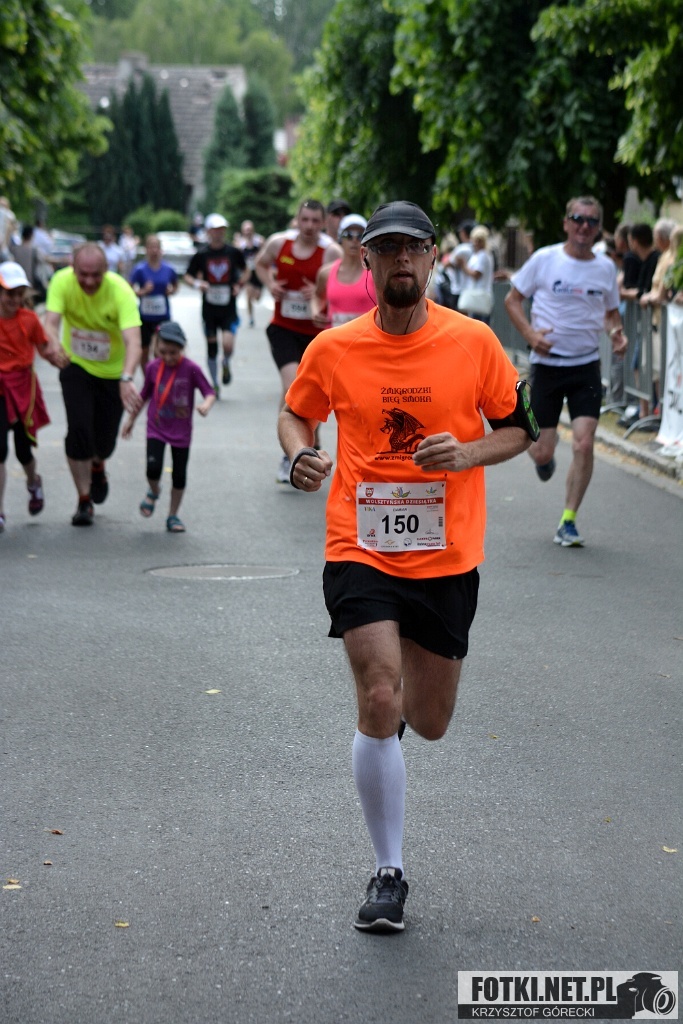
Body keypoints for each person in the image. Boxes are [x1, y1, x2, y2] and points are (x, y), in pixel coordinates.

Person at [278, 200, 533, 932]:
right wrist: (299, 452)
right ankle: (388, 871)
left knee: (428, 720)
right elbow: (296, 412)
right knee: (380, 693)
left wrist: (467, 452)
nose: (399, 260)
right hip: (359, 547)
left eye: (411, 248)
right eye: (385, 248)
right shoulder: (335, 347)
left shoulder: (473, 341)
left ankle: (389, 733)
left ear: (432, 258)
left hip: (447, 555)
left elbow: (520, 428)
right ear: (366, 259)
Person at [504, 195, 626, 547]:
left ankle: (568, 520)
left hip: (585, 366)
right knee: (542, 451)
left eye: (592, 221)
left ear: (598, 227)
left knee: (584, 443)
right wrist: (530, 335)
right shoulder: (545, 259)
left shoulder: (605, 268)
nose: (584, 226)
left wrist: (617, 335)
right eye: (578, 219)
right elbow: (512, 300)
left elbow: (611, 314)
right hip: (548, 367)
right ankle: (542, 457)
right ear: (566, 223)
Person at [44, 242, 142, 526]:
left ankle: (99, 464)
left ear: (106, 270)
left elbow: (133, 341)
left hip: (112, 374)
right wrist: (53, 345)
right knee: (79, 430)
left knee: (104, 442)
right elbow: (50, 323)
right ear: (72, 268)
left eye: (96, 275)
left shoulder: (120, 291)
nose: (89, 281)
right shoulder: (61, 281)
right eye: (83, 275)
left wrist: (127, 377)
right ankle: (83, 499)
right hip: (75, 365)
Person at [255, 199, 342, 482]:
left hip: (317, 335)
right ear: (297, 219)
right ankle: (290, 453)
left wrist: (318, 293)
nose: (309, 226)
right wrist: (271, 284)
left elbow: (341, 284)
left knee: (314, 395)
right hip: (283, 328)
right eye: (305, 220)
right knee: (292, 386)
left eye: (315, 221)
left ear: (323, 223)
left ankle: (308, 439)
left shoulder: (331, 251)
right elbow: (260, 264)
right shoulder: (279, 243)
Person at [121, 321, 215, 533]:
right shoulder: (153, 367)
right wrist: (130, 420)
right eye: (163, 352)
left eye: (173, 352)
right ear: (156, 347)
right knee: (152, 469)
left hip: (181, 432)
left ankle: (173, 515)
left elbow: (209, 392)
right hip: (156, 427)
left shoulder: (191, 369)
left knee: (179, 476)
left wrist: (206, 405)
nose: (168, 357)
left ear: (181, 349)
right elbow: (144, 395)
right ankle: (154, 490)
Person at [0, 262, 63, 532]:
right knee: (0, 451)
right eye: (8, 293)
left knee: (23, 450)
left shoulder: (28, 319)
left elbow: (44, 347)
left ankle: (32, 481)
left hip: (23, 387)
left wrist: (59, 359)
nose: (14, 299)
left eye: (18, 294)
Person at [184, 213, 247, 395]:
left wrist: (239, 285)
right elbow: (188, 276)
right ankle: (215, 384)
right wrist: (198, 284)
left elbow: (246, 271)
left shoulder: (233, 252)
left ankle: (226, 362)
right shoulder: (202, 254)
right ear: (209, 232)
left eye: (222, 230)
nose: (219, 233)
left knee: (227, 344)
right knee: (212, 347)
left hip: (228, 307)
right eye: (215, 230)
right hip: (209, 308)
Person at [312, 214, 376, 328]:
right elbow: (317, 296)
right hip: (334, 338)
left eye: (360, 236)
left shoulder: (376, 274)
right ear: (340, 238)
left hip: (366, 338)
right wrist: (315, 312)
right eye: (348, 235)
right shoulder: (326, 273)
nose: (354, 240)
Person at [130, 235, 179, 371]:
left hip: (162, 317)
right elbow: (129, 289)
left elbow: (176, 285)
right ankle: (148, 378)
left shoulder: (168, 269)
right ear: (146, 249)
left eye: (157, 247)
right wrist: (142, 291)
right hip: (144, 317)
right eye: (151, 247)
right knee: (144, 351)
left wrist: (171, 291)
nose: (154, 250)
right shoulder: (139, 269)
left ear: (161, 250)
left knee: (160, 350)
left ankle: (159, 376)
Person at [457, 224, 495, 323]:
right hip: (477, 295)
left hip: (479, 296)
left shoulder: (483, 255)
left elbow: (476, 274)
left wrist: (464, 266)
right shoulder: (480, 255)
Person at [236, 220, 264, 328]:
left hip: (258, 272)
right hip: (247, 272)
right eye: (246, 230)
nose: (248, 232)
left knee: (257, 297)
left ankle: (258, 292)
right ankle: (251, 317)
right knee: (248, 296)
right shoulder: (240, 243)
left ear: (253, 230)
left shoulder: (259, 241)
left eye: (249, 230)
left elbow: (266, 255)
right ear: (243, 231)